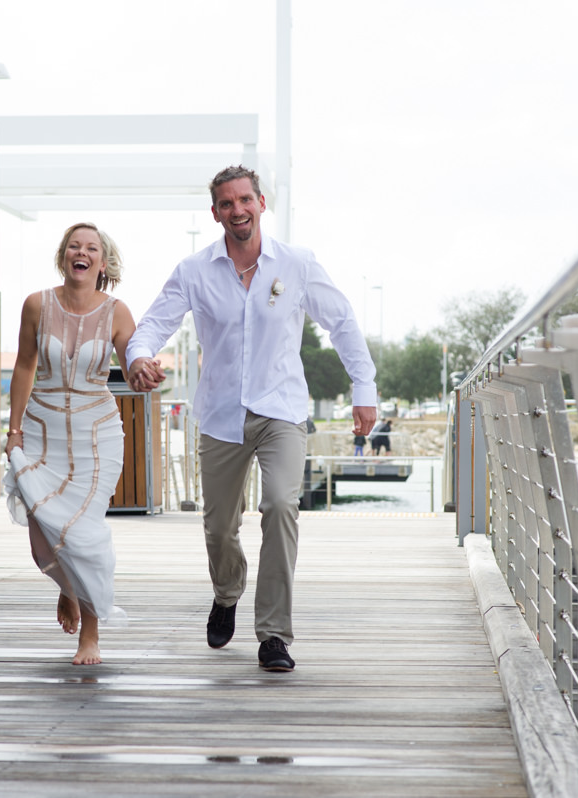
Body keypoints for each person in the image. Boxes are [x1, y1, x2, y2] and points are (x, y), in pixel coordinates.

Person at [126, 165, 377, 672]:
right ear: (215, 212)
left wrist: (363, 388)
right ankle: (226, 593)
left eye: (245, 200)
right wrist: (138, 357)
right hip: (220, 414)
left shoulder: (297, 264)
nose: (237, 210)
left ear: (261, 203)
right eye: (226, 203)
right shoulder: (194, 270)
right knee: (220, 527)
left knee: (282, 506)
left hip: (281, 410)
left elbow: (343, 322)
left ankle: (274, 635)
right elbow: (154, 324)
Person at [4, 222, 137, 666]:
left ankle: (91, 636)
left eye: (91, 248)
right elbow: (24, 367)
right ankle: (69, 589)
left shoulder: (117, 313)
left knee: (83, 533)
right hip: (41, 432)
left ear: (103, 262)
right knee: (42, 536)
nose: (82, 253)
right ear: (64, 256)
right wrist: (14, 430)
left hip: (96, 436)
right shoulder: (36, 305)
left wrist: (146, 372)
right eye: (74, 246)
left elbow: (134, 366)